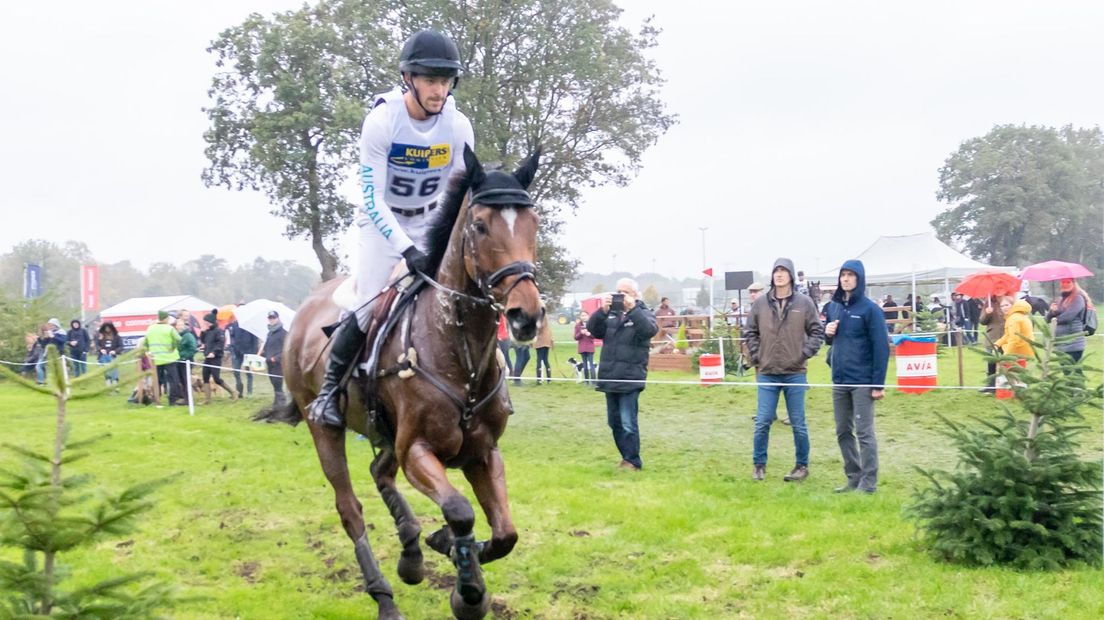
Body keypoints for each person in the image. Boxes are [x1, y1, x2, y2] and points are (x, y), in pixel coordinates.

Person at [308, 29, 475, 429]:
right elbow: (372, 198)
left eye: (445, 81)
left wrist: (445, 243)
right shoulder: (382, 122)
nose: (439, 90)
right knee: (368, 305)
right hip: (384, 224)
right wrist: (406, 249)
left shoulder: (458, 126)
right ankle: (330, 391)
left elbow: (460, 195)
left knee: (464, 298)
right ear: (409, 79)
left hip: (433, 221)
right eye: (431, 80)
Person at [744, 258, 824, 482]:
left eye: (783, 271)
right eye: (776, 271)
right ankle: (759, 464)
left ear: (790, 275)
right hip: (767, 372)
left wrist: (803, 353)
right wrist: (757, 355)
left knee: (798, 422)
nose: (779, 274)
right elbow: (750, 331)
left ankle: (802, 465)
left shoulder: (805, 303)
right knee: (762, 421)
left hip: (795, 371)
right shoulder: (760, 304)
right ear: (772, 276)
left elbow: (817, 332)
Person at [823, 260, 890, 494]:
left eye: (851, 275)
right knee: (842, 430)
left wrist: (877, 384)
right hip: (839, 380)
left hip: (862, 381)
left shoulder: (870, 310)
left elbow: (881, 347)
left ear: (859, 278)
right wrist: (827, 333)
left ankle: (868, 483)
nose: (846, 279)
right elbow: (831, 340)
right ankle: (853, 476)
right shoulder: (834, 307)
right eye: (843, 275)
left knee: (864, 432)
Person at [586, 278, 658, 471]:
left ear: (635, 294)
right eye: (617, 291)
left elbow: (649, 330)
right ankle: (625, 457)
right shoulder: (611, 315)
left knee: (628, 422)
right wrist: (602, 311)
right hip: (610, 376)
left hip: (630, 377)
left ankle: (633, 461)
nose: (620, 295)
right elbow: (594, 330)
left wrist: (632, 309)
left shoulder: (643, 313)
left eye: (624, 292)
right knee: (614, 422)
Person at [141, 310, 184, 405]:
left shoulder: (150, 328)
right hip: (170, 358)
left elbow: (145, 343)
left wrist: (148, 351)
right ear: (166, 318)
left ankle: (157, 400)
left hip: (156, 359)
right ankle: (172, 400)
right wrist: (173, 347)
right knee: (173, 380)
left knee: (157, 381)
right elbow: (179, 340)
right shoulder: (169, 328)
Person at [1046, 279, 1089, 363]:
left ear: (1074, 284)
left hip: (1073, 343)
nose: (1065, 284)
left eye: (1068, 282)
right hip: (1061, 343)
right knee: (1067, 372)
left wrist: (1055, 319)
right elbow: (1047, 319)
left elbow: (1068, 317)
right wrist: (1052, 311)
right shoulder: (1060, 299)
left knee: (1073, 372)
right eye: (1063, 282)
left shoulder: (1078, 299)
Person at [200, 311, 236, 403]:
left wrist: (214, 352)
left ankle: (233, 392)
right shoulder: (207, 331)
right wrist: (202, 333)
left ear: (211, 322)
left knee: (216, 378)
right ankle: (207, 399)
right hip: (207, 357)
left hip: (216, 358)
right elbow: (204, 341)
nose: (205, 324)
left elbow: (220, 343)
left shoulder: (219, 331)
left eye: (206, 322)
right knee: (205, 377)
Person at [977, 295, 1005, 394]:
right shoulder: (988, 303)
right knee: (991, 362)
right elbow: (982, 321)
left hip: (1005, 336)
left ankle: (1005, 384)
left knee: (1006, 361)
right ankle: (991, 385)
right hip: (992, 337)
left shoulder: (1007, 301)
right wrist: (987, 313)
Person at [227, 316, 259, 398]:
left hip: (248, 353)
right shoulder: (235, 324)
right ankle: (239, 392)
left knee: (249, 373)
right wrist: (232, 348)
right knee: (236, 372)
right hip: (237, 352)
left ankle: (249, 392)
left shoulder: (251, 325)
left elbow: (255, 340)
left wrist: (254, 353)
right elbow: (232, 337)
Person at [262, 310, 288, 406]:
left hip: (278, 364)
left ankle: (281, 404)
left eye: (273, 318)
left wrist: (276, 358)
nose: (271, 320)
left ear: (278, 318)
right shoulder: (269, 334)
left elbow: (286, 350)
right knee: (274, 383)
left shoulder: (284, 333)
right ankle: (278, 402)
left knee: (278, 383)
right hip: (269, 363)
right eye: (270, 318)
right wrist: (262, 353)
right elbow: (267, 348)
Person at [36, 318, 68, 384]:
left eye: (52, 325)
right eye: (49, 325)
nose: (50, 327)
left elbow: (63, 341)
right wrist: (41, 338)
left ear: (56, 325)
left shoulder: (61, 332)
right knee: (51, 369)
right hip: (49, 354)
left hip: (59, 353)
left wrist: (53, 336)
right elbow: (43, 345)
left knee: (60, 369)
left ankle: (63, 382)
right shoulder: (49, 332)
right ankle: (51, 382)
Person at [96, 321, 124, 386]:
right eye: (106, 328)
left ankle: (115, 385)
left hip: (113, 356)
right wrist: (101, 349)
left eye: (108, 328)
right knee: (107, 371)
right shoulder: (101, 336)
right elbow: (97, 344)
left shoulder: (116, 336)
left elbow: (121, 346)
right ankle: (108, 386)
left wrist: (115, 351)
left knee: (114, 371)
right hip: (103, 356)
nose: (107, 329)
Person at [574, 310, 596, 384]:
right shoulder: (578, 325)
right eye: (582, 315)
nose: (584, 317)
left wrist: (589, 334)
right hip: (582, 348)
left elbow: (595, 336)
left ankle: (593, 381)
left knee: (591, 364)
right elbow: (576, 337)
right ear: (580, 317)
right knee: (585, 365)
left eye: (585, 315)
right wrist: (581, 333)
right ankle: (586, 381)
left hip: (590, 347)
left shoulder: (592, 324)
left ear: (588, 316)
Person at [533, 313, 553, 385]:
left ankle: (539, 380)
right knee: (545, 360)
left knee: (539, 360)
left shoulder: (540, 315)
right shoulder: (544, 315)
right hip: (546, 340)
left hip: (541, 341)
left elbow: (539, 327)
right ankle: (549, 379)